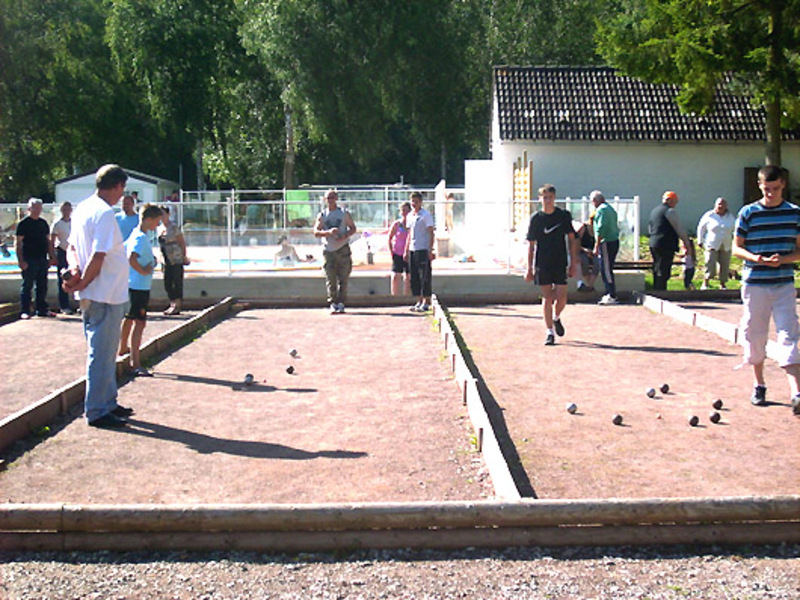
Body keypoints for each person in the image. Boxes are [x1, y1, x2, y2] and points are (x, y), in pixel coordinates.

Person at [63, 164, 133, 428]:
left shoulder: (83, 208)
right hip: (104, 293)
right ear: (116, 186)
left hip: (97, 293)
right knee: (101, 355)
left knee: (104, 353)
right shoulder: (104, 212)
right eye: (122, 189)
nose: (121, 195)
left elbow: (71, 247)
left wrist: (75, 273)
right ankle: (97, 410)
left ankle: (108, 402)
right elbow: (99, 255)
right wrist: (83, 280)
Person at [732, 165, 800, 416]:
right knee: (755, 332)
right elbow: (737, 248)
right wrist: (757, 258)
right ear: (760, 187)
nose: (770, 193)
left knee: (789, 333)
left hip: (783, 282)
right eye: (766, 189)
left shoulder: (794, 214)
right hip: (755, 283)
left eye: (775, 189)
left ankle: (796, 392)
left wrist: (783, 260)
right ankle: (759, 384)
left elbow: (799, 250)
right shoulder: (748, 213)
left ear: (783, 185)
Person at [525, 184, 579, 345]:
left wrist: (573, 262)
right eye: (544, 197)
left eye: (549, 197)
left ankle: (556, 318)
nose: (547, 200)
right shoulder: (536, 219)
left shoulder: (563, 216)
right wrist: (529, 268)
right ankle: (549, 332)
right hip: (543, 262)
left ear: (554, 198)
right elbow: (531, 244)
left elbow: (572, 238)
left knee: (562, 298)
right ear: (540, 199)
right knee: (548, 298)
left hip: (560, 261)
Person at [119, 204, 162, 377]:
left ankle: (123, 349)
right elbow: (132, 258)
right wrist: (143, 270)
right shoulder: (141, 238)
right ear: (149, 220)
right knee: (140, 322)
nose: (157, 225)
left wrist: (150, 261)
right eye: (157, 222)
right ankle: (135, 363)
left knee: (129, 319)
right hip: (139, 286)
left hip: (133, 284)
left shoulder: (136, 234)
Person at [313, 189, 356, 314]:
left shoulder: (343, 213)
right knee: (330, 278)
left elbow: (353, 228)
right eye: (328, 198)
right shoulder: (322, 215)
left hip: (342, 249)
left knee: (344, 277)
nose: (330, 200)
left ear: (336, 198)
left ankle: (342, 302)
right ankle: (333, 302)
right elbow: (316, 232)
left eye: (332, 197)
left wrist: (345, 235)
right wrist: (328, 232)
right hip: (328, 250)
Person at [15, 198, 55, 319]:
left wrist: (51, 257)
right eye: (34, 208)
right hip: (29, 259)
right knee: (27, 286)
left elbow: (48, 241)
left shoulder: (43, 223)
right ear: (29, 208)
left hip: (42, 258)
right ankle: (25, 310)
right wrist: (21, 261)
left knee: (42, 285)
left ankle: (41, 309)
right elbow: (18, 243)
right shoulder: (23, 224)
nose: (37, 210)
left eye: (39, 208)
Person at [648, 191, 692, 290]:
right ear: (671, 201)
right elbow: (679, 228)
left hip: (654, 243)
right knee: (664, 269)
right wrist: (686, 243)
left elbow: (650, 228)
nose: (675, 205)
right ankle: (661, 292)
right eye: (675, 202)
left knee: (657, 267)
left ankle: (656, 289)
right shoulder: (670, 211)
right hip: (665, 244)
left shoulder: (654, 211)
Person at [404, 192, 435, 312]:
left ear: (421, 202)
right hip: (413, 248)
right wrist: (406, 250)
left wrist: (430, 249)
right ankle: (418, 300)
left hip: (423, 249)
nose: (414, 204)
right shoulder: (410, 216)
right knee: (414, 276)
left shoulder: (425, 215)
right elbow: (409, 233)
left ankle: (426, 301)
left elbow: (431, 232)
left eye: (416, 202)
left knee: (425, 276)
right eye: (412, 202)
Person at [697, 197, 736, 289]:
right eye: (719, 204)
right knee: (710, 263)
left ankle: (722, 284)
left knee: (724, 264)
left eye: (723, 204)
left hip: (726, 243)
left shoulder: (730, 217)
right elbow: (701, 228)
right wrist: (700, 240)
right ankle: (705, 282)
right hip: (712, 243)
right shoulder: (709, 215)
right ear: (715, 205)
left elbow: (735, 229)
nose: (720, 206)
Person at [157, 205, 190, 315]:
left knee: (177, 282)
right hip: (165, 259)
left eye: (163, 214)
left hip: (176, 258)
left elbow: (182, 242)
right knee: (167, 283)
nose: (161, 217)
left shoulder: (174, 227)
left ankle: (177, 304)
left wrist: (184, 256)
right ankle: (172, 302)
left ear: (168, 214)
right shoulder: (159, 228)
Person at [591, 190, 621, 304]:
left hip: (606, 242)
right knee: (606, 268)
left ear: (595, 201)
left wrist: (596, 245)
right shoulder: (610, 208)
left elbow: (601, 229)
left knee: (606, 269)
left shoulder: (601, 210)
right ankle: (609, 292)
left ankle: (611, 294)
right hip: (613, 241)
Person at [50, 201, 75, 314]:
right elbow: (52, 241)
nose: (66, 211)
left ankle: (79, 304)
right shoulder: (57, 224)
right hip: (62, 252)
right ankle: (64, 305)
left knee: (77, 277)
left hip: (74, 253)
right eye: (64, 209)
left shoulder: (76, 222)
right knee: (63, 278)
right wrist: (52, 256)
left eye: (68, 209)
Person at [387, 202, 411, 296]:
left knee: (408, 277)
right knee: (396, 276)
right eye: (403, 211)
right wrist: (391, 251)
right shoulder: (397, 224)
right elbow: (389, 238)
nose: (404, 213)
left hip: (409, 253)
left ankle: (407, 297)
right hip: (398, 253)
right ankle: (395, 296)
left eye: (407, 210)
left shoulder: (412, 224)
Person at [573, 219, 598, 292]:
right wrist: (585, 250)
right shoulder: (584, 228)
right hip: (581, 251)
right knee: (584, 261)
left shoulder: (598, 231)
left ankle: (590, 285)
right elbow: (576, 243)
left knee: (597, 263)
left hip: (592, 252)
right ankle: (586, 284)